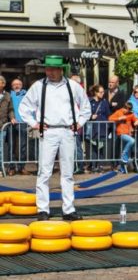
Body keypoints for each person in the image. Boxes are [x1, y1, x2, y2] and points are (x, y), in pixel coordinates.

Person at [18, 55, 90, 220]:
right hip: (48, 131)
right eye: (47, 68)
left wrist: (79, 123)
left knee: (68, 172)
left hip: (67, 131)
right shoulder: (38, 86)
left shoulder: (73, 86)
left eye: (52, 69)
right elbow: (24, 107)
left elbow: (85, 107)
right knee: (44, 172)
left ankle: (68, 209)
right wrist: (35, 123)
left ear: (61, 70)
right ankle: (43, 209)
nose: (49, 72)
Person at [109, 101, 138, 173]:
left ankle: (122, 169)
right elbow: (110, 118)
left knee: (128, 151)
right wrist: (119, 118)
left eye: (129, 110)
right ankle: (123, 154)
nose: (128, 112)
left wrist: (137, 121)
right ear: (124, 108)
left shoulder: (131, 114)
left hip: (128, 133)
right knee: (132, 141)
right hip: (121, 133)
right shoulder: (118, 112)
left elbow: (136, 119)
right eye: (127, 110)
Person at [8, 78, 28, 175]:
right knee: (11, 146)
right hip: (10, 123)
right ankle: (11, 168)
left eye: (18, 84)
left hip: (23, 123)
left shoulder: (27, 94)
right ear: (12, 86)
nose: (17, 86)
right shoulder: (8, 95)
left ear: (21, 85)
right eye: (14, 84)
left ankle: (21, 167)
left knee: (22, 146)